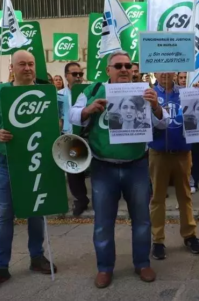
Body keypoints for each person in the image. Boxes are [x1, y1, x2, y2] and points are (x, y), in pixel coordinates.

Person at [70, 50, 165, 288]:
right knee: (103, 221)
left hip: (137, 166)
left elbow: (162, 124)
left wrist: (155, 107)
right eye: (119, 66)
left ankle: (142, 263)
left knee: (142, 219)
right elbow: (70, 116)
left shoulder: (144, 92)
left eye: (128, 66)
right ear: (108, 70)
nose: (124, 69)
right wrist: (88, 109)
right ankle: (104, 268)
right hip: (103, 168)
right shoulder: (92, 90)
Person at [0, 51, 56, 293]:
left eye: (31, 63)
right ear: (12, 67)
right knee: (4, 216)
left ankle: (37, 257)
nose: (28, 68)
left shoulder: (46, 92)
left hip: (37, 160)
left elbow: (58, 121)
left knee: (36, 212)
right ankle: (0, 267)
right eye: (22, 64)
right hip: (7, 162)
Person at [149, 72, 199, 260]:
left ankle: (189, 235)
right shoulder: (149, 93)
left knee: (185, 196)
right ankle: (157, 239)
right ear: (154, 72)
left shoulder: (186, 92)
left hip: (182, 152)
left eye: (169, 68)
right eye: (160, 69)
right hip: (158, 153)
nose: (165, 73)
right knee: (157, 198)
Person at [57, 62, 89, 216]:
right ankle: (80, 199)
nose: (78, 77)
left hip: (88, 135)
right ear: (66, 76)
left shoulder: (89, 92)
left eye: (80, 74)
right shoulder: (59, 95)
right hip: (69, 137)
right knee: (73, 171)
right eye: (74, 74)